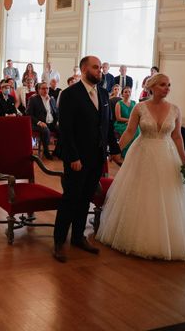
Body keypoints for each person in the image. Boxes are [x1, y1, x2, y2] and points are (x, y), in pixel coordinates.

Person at [96, 73, 185, 260]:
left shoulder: (175, 110)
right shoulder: (140, 107)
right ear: (151, 87)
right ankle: (137, 234)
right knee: (142, 193)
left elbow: (177, 137)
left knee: (168, 195)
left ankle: (169, 239)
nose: (167, 88)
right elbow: (130, 132)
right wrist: (114, 152)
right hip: (142, 152)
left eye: (169, 85)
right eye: (162, 84)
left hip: (167, 155)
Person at [53, 55, 122, 263]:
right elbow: (65, 129)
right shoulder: (70, 94)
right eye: (95, 67)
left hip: (97, 156)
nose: (99, 71)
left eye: (100, 67)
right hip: (77, 158)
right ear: (84, 70)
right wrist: (73, 156)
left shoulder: (102, 93)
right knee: (70, 199)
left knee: (85, 199)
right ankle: (58, 242)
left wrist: (115, 150)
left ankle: (77, 237)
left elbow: (107, 126)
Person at [27, 82, 59, 160]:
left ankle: (57, 151)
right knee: (46, 130)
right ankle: (46, 151)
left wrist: (58, 121)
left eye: (47, 88)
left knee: (62, 130)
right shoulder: (33, 99)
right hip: (37, 124)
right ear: (39, 90)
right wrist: (39, 122)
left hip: (51, 123)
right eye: (43, 88)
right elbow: (28, 114)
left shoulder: (51, 99)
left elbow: (56, 112)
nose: (46, 90)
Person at [113, 87, 139, 157]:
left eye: (129, 92)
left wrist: (132, 121)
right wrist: (129, 120)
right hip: (121, 124)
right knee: (128, 131)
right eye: (125, 92)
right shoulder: (119, 103)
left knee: (138, 131)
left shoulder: (134, 103)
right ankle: (125, 153)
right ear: (122, 94)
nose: (128, 93)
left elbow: (137, 116)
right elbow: (118, 118)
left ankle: (135, 152)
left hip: (132, 123)